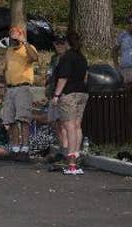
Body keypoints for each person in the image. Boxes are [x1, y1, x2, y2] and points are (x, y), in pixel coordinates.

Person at [51, 34, 89, 175]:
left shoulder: (67, 57)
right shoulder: (82, 57)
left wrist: (56, 95)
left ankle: (71, 159)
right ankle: (77, 155)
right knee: (77, 125)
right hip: (82, 93)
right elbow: (85, 76)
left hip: (69, 94)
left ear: (67, 43)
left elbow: (63, 77)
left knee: (69, 126)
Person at [1, 25, 38, 154]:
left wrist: (24, 42)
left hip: (22, 87)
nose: (13, 38)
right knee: (10, 119)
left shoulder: (28, 48)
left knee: (23, 118)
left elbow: (34, 58)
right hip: (10, 88)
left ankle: (25, 146)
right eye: (11, 35)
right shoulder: (9, 51)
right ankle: (15, 146)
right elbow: (5, 69)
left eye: (16, 35)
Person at [115, 13, 132, 84]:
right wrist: (116, 65)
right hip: (125, 69)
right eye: (130, 22)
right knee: (126, 89)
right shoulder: (122, 36)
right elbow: (114, 50)